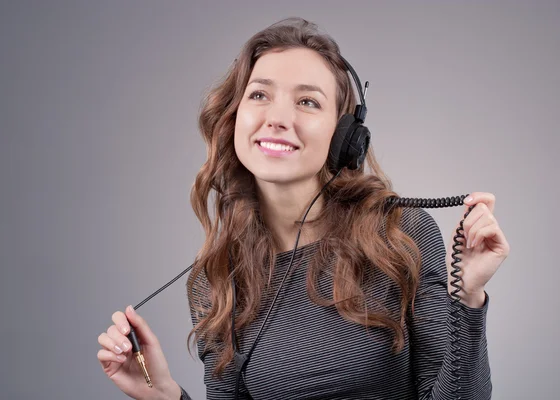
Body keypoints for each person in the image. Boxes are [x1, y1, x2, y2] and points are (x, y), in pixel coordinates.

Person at [96, 17, 510, 400]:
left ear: (344, 136)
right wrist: (166, 394)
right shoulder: (216, 276)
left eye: (307, 102)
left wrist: (467, 296)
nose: (277, 117)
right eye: (259, 94)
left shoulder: (401, 235)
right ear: (234, 116)